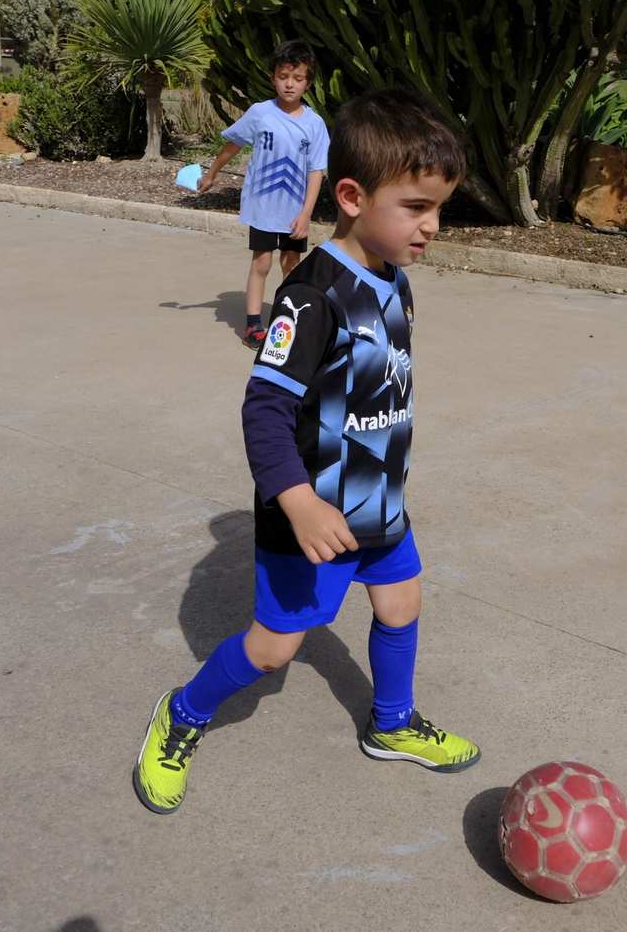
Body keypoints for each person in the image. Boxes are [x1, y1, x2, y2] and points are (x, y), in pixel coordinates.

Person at [134, 89, 477, 815]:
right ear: (351, 196)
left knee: (403, 599)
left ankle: (391, 724)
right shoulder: (309, 297)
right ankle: (182, 714)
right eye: (416, 207)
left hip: (379, 501)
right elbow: (264, 410)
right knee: (272, 650)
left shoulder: (396, 281)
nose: (432, 226)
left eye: (438, 208)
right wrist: (298, 500)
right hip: (311, 519)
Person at [197, 39, 329, 348]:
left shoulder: (315, 124)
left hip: (296, 211)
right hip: (263, 207)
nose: (289, 85)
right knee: (262, 263)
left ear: (308, 83)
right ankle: (254, 325)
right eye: (283, 77)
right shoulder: (260, 113)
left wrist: (307, 212)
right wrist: (212, 174)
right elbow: (233, 144)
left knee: (291, 265)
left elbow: (316, 171)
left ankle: (287, 321)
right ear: (273, 77)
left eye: (297, 79)